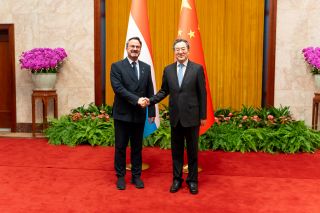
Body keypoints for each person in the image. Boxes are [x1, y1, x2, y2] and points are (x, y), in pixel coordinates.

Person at [147, 39, 207, 195]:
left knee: (192, 151)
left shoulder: (197, 69)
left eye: (183, 49)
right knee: (176, 152)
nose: (180, 52)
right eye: (177, 50)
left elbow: (202, 94)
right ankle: (177, 179)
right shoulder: (168, 70)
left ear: (188, 50)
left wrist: (203, 116)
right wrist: (150, 100)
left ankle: (193, 181)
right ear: (174, 52)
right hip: (175, 118)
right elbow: (163, 91)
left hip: (192, 118)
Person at [110, 37, 155, 190]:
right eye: (132, 46)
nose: (135, 49)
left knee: (137, 147)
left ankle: (136, 176)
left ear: (140, 49)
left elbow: (150, 90)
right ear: (126, 48)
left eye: (137, 47)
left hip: (139, 115)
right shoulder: (116, 66)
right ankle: (120, 176)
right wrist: (137, 100)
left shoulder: (145, 67)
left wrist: (152, 111)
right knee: (121, 147)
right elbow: (118, 89)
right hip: (122, 115)